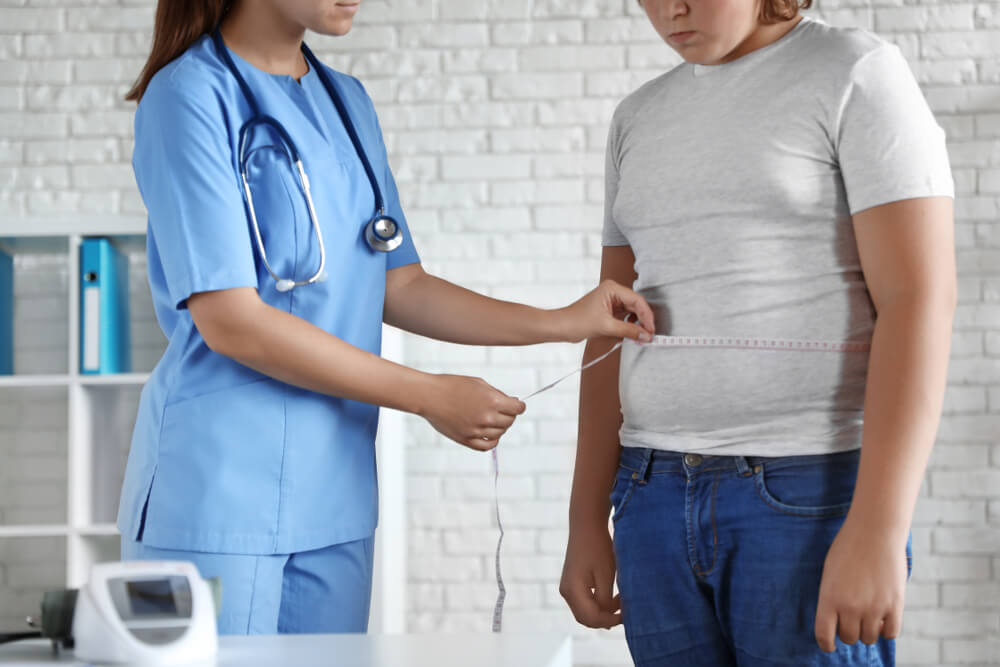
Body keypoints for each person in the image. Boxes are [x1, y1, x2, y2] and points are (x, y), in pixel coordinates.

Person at [116, 0, 656, 636]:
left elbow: (399, 283)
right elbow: (230, 319)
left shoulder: (345, 103)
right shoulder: (187, 95)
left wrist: (562, 321)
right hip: (217, 491)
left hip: (335, 495)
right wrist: (428, 395)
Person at [559, 0, 956, 664]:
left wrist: (880, 526)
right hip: (649, 496)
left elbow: (919, 299)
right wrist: (583, 520)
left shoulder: (855, 73)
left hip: (807, 498)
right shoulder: (637, 117)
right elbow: (608, 326)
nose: (670, 10)